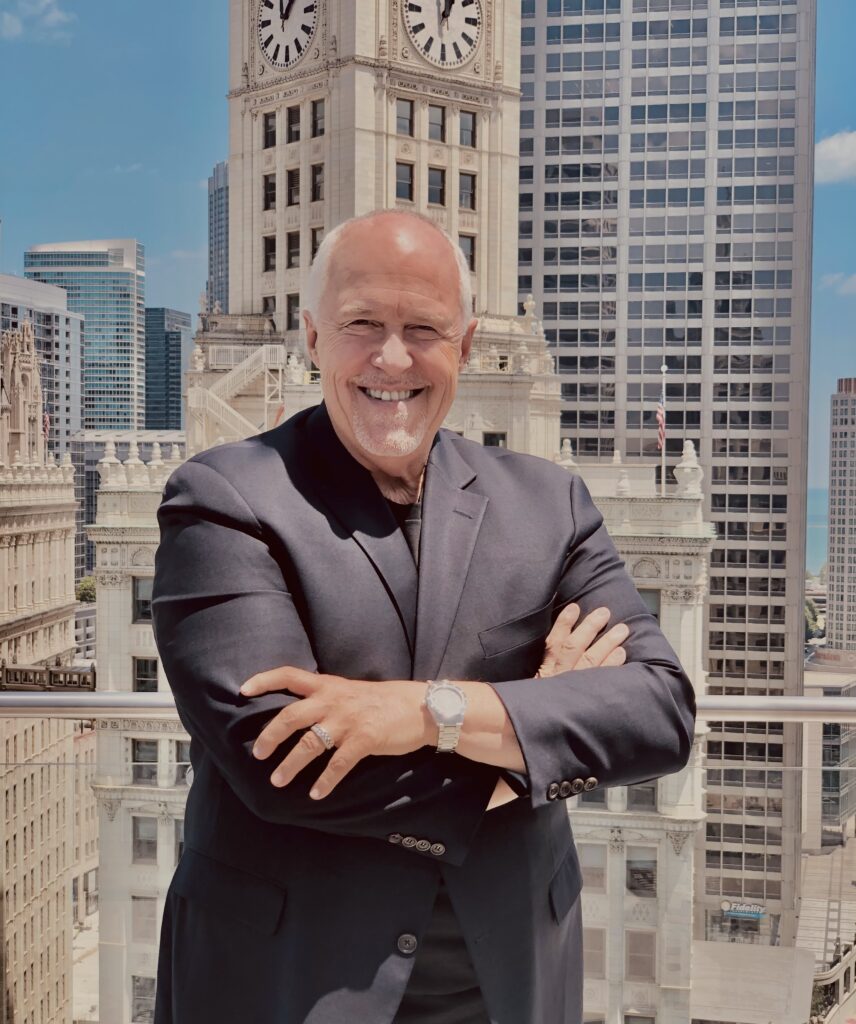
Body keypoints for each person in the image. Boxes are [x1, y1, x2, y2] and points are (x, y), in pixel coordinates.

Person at [151, 209, 696, 1024]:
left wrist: (428, 712)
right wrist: (530, 740)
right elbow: (280, 763)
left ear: (466, 345)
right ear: (312, 337)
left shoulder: (551, 504)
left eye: (424, 329)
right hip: (286, 983)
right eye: (362, 324)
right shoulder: (225, 497)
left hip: (509, 980)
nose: (392, 357)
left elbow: (659, 713)